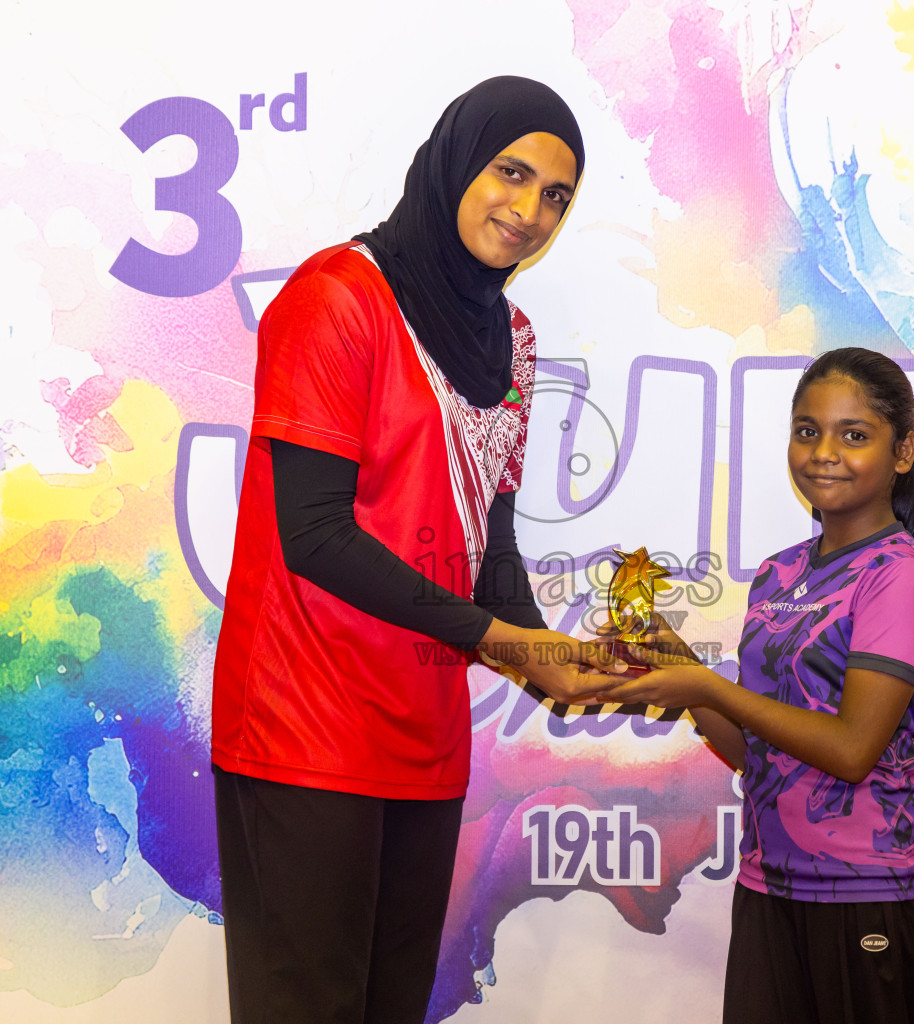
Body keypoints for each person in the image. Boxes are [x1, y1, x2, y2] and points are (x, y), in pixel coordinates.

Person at [210, 77, 621, 1024]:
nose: (528, 211)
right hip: (304, 726)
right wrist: (502, 641)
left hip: (424, 734)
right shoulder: (337, 298)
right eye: (511, 173)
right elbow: (311, 534)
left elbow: (492, 540)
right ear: (455, 162)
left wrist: (552, 655)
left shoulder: (512, 341)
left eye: (556, 196)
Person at [598, 347, 914, 1024]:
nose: (824, 452)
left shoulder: (901, 577)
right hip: (769, 884)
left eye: (855, 435)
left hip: (868, 894)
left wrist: (708, 684)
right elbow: (757, 752)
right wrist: (675, 666)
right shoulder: (777, 574)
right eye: (807, 431)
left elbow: (852, 751)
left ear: (902, 452)